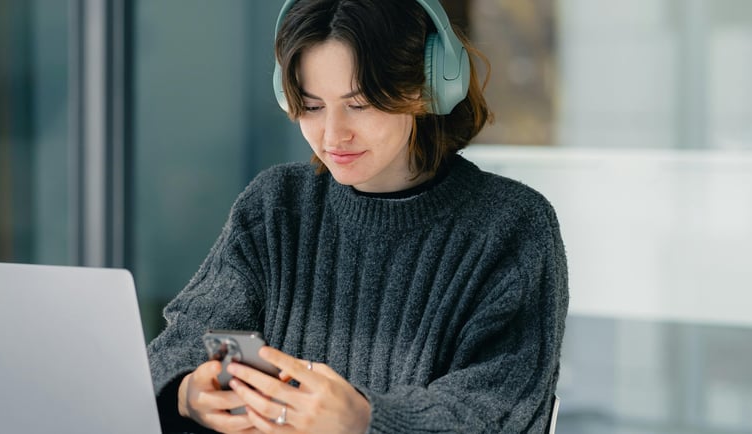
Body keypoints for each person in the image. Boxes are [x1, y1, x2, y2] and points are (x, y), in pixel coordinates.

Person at [147, 0, 568, 432]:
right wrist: (187, 392)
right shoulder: (275, 205)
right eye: (312, 106)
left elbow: (498, 409)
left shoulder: (512, 227)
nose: (333, 135)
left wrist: (365, 420)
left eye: (361, 103)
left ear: (428, 85)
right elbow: (174, 350)